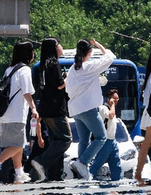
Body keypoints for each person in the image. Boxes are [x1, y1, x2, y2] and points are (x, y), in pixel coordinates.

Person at [0, 41, 38, 184]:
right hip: (16, 114)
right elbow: (27, 92)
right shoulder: (25, 70)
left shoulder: (10, 69)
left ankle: (19, 173)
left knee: (14, 146)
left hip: (4, 114)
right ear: (28, 53)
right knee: (19, 144)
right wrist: (33, 108)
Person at [66, 38, 116, 180]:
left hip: (75, 110)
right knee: (101, 137)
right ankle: (82, 163)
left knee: (84, 139)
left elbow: (69, 89)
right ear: (89, 52)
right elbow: (110, 57)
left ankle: (81, 170)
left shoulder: (72, 69)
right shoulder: (89, 67)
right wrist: (99, 45)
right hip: (88, 108)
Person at [30, 37, 72, 182]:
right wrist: (68, 78)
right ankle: (40, 162)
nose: (61, 47)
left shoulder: (42, 65)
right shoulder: (54, 64)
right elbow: (60, 85)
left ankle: (55, 174)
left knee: (56, 141)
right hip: (56, 108)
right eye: (59, 44)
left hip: (45, 108)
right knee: (66, 139)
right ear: (54, 48)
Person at [135, 49, 151, 186]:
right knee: (149, 145)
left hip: (150, 112)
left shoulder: (150, 74)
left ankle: (143, 171)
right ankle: (140, 173)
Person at [89, 89, 122, 181]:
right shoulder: (103, 108)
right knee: (98, 163)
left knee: (116, 164)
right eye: (114, 98)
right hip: (105, 141)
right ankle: (88, 179)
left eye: (117, 98)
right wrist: (112, 105)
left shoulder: (112, 109)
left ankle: (116, 182)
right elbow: (110, 115)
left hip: (112, 140)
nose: (116, 100)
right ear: (109, 99)